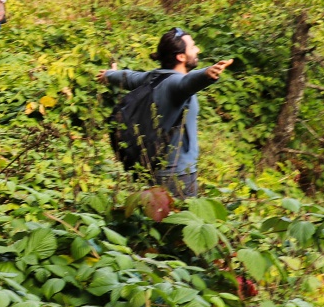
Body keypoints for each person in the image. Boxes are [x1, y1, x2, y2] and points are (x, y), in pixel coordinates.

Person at [100, 28, 233, 199]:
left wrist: (109, 74)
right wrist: (206, 74)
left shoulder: (154, 77)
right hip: (177, 176)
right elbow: (187, 83)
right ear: (181, 56)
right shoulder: (175, 85)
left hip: (153, 170)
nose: (197, 50)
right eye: (193, 47)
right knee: (178, 223)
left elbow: (129, 77)